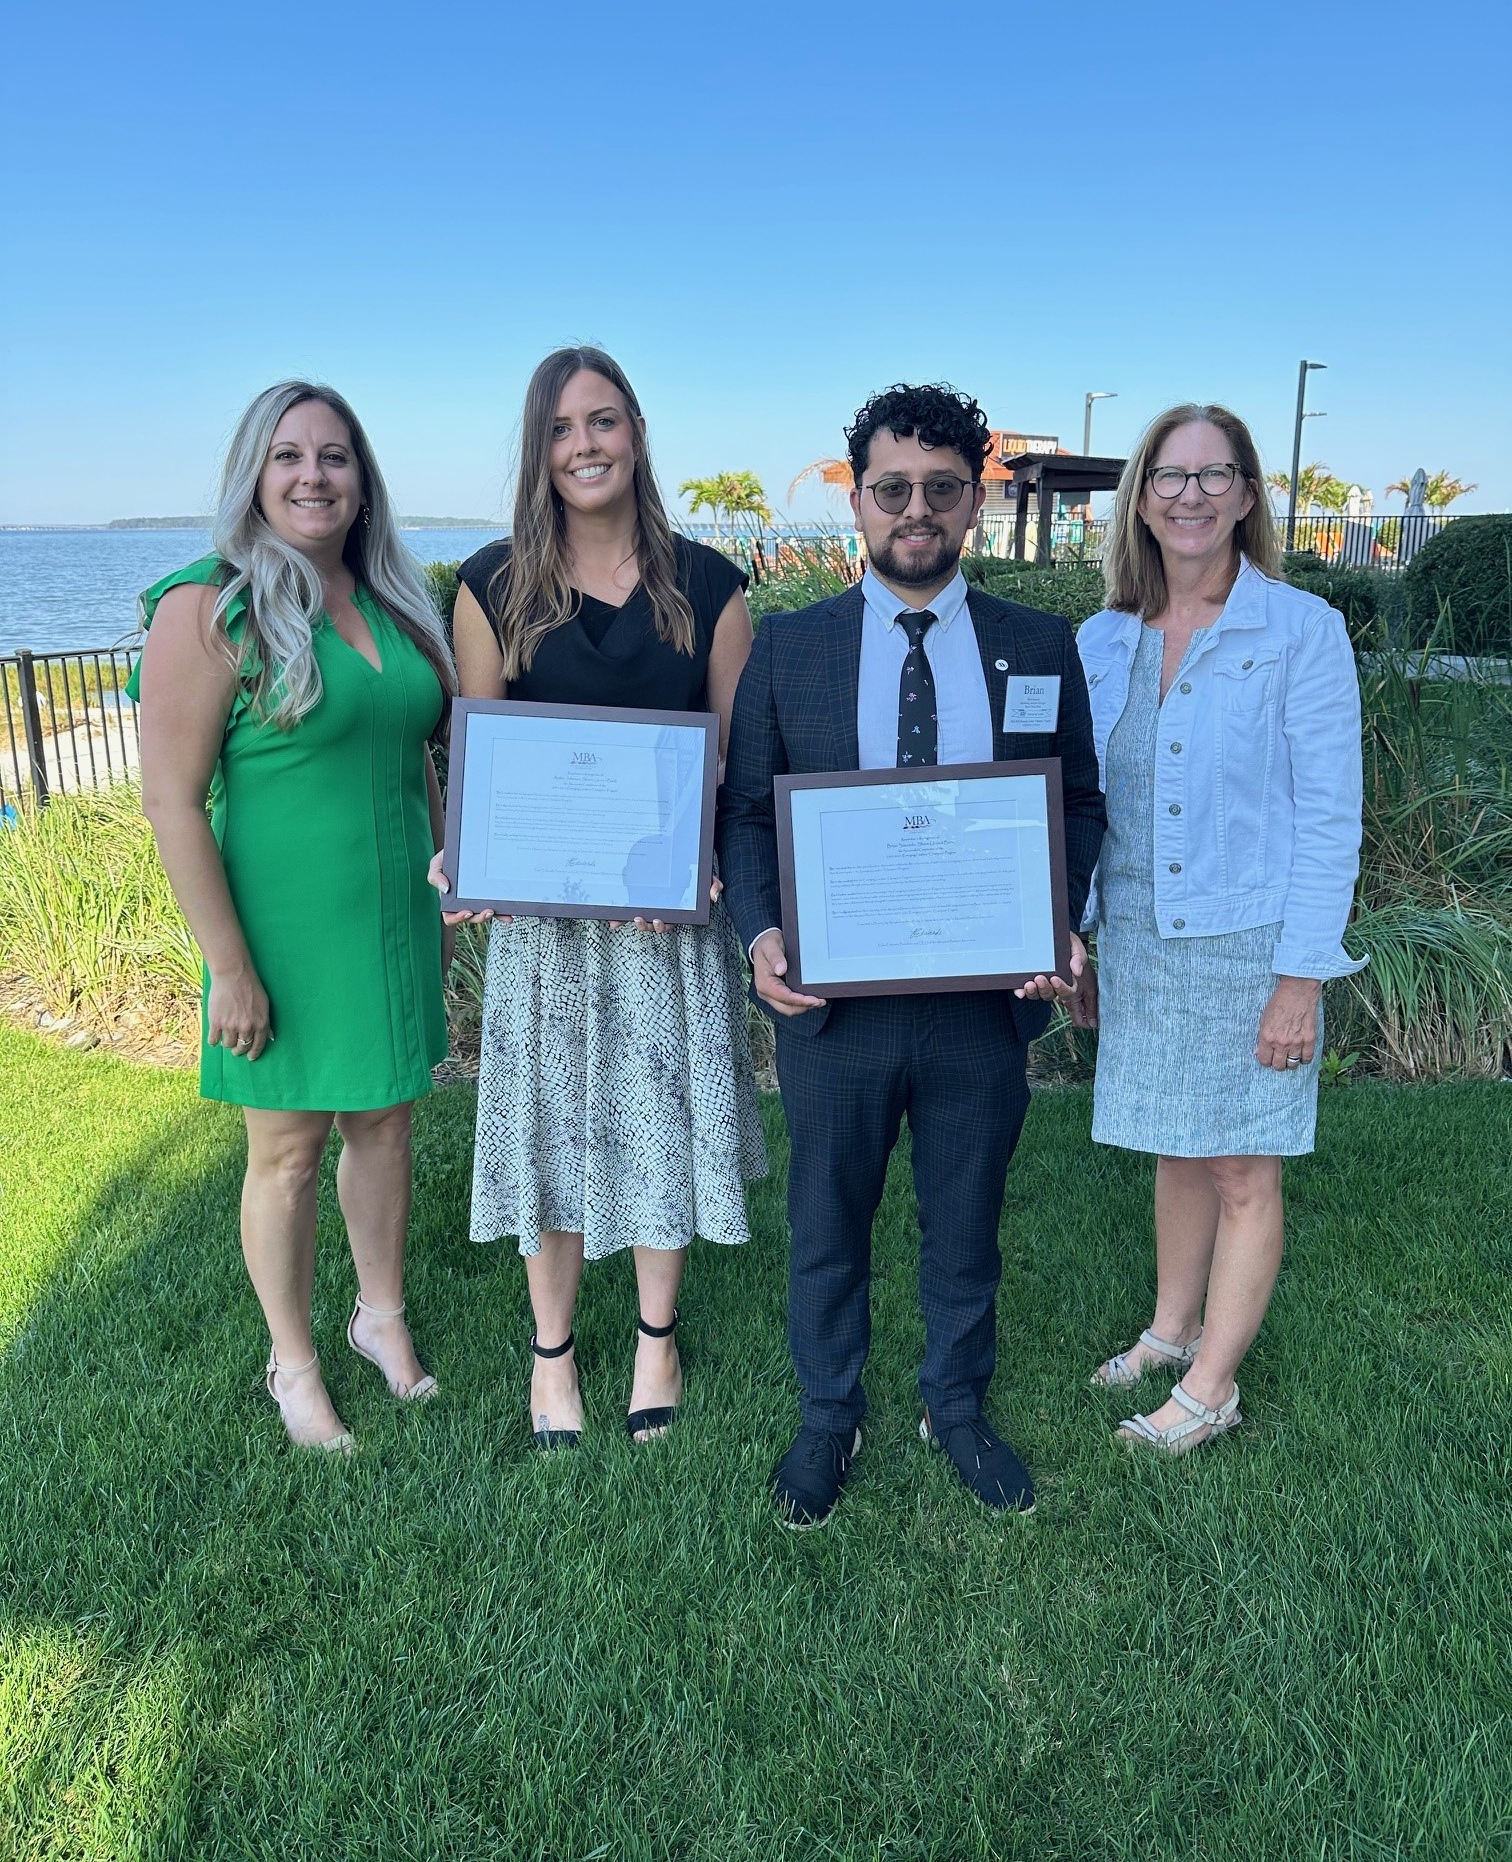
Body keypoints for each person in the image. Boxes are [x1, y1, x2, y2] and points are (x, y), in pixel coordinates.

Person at [718, 382, 1106, 1527]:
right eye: (894, 490)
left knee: (966, 1217)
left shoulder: (1041, 645)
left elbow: (1078, 800)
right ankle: (828, 1417)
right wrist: (763, 931)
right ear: (860, 501)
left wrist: (1059, 918)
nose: (918, 511)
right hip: (834, 1005)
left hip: (985, 1004)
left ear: (976, 499)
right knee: (827, 1221)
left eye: (944, 489)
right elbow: (747, 815)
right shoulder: (791, 650)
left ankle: (958, 1403)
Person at [433, 346, 766, 1449]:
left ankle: (657, 1339)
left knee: (662, 1125)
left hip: (664, 921)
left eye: (605, 422)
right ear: (540, 449)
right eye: (563, 428)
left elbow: (732, 764)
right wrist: (464, 854)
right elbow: (484, 756)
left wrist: (706, 858)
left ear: (636, 435)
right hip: (546, 928)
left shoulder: (711, 585)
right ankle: (553, 1354)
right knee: (549, 1127)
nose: (586, 445)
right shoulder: (490, 586)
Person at [131, 381, 456, 1454]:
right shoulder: (209, 607)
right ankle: (295, 1361)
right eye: (288, 457)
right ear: (254, 478)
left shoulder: (394, 600)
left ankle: (380, 1318)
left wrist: (458, 848)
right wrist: (228, 967)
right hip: (280, 932)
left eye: (335, 457)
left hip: (394, 914)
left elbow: (418, 745)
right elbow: (171, 801)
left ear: (363, 482)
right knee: (284, 1150)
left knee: (387, 1121)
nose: (313, 476)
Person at [1034, 403, 1363, 1453]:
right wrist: (1080, 935)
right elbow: (1088, 800)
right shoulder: (1101, 638)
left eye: (1214, 476)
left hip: (1248, 940)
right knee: (1175, 1144)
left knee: (1241, 1166)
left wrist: (1301, 976)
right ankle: (1173, 1330)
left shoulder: (1300, 631)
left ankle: (1214, 1386)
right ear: (1141, 498)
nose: (1190, 496)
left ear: (1248, 497)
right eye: (1169, 477)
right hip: (1137, 934)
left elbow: (1329, 817)